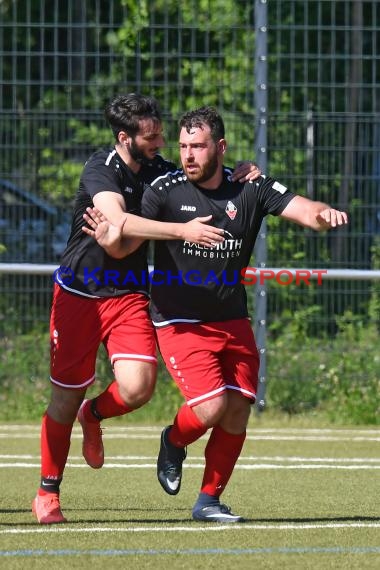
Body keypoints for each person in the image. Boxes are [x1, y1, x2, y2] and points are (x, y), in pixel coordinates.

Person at [84, 105, 348, 523]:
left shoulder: (251, 187)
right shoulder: (165, 191)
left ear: (220, 147)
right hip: (179, 320)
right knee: (210, 408)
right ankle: (172, 441)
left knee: (239, 408)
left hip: (231, 319)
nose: (188, 154)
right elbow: (124, 248)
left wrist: (322, 215)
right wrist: (109, 237)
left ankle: (208, 500)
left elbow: (304, 208)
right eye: (184, 146)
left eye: (198, 146)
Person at [32, 94, 260, 525]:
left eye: (160, 134)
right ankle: (48, 492)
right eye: (151, 136)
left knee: (138, 389)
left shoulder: (160, 171)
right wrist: (180, 230)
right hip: (79, 294)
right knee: (64, 396)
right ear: (125, 138)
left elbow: (204, 177)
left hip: (130, 295)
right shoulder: (100, 169)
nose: (160, 142)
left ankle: (93, 414)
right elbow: (117, 222)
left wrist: (241, 174)